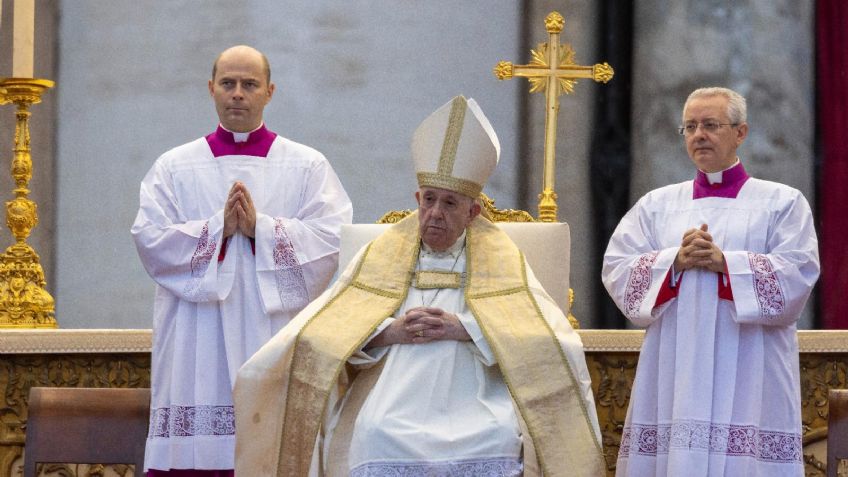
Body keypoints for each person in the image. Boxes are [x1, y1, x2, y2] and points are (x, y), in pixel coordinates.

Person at [233, 96, 606, 476]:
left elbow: (545, 335)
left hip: (476, 394)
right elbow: (329, 329)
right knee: (374, 432)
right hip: (393, 392)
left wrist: (462, 328)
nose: (435, 214)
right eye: (429, 200)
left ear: (473, 212)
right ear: (417, 199)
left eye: (449, 203)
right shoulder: (384, 253)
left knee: (497, 434)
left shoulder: (500, 258)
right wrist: (391, 330)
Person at [131, 45, 352, 476]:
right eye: (228, 83)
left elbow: (331, 239)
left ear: (269, 92)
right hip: (197, 332)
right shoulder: (174, 166)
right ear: (211, 89)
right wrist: (217, 230)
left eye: (249, 84)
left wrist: (260, 230)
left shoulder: (307, 165)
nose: (237, 93)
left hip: (272, 331)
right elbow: (149, 237)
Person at [602, 87, 819, 476]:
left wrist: (726, 264)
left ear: (741, 133)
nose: (698, 134)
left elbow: (798, 272)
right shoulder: (657, 205)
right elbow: (617, 268)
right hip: (674, 366)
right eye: (689, 126)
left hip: (752, 365)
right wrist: (674, 262)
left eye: (711, 125)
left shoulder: (782, 203)